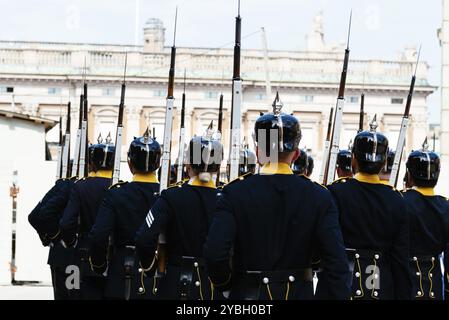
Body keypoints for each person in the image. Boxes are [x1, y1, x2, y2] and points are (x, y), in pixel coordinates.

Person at [204, 93, 350, 300]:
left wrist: (227, 287)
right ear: (297, 154)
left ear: (258, 150)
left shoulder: (234, 192)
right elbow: (335, 263)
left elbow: (215, 253)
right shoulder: (318, 196)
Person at [318, 117, 412, 300]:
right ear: (384, 162)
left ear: (354, 159)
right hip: (379, 282)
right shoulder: (396, 199)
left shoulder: (335, 192)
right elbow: (400, 259)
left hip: (341, 282)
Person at [135, 127, 224, 300]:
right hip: (213, 287)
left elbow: (144, 238)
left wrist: (150, 268)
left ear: (188, 164)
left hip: (175, 282)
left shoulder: (171, 195)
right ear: (217, 167)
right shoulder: (226, 198)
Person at [88, 130, 161, 300]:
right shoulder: (167, 195)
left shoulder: (117, 194)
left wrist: (99, 265)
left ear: (130, 163)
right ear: (158, 165)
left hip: (122, 271)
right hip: (156, 273)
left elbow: (99, 236)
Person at [59, 135, 115, 299]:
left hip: (80, 257)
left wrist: (71, 242)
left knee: (74, 292)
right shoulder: (119, 187)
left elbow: (66, 223)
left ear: (92, 162)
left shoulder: (81, 186)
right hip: (110, 257)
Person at [402, 139, 449, 300]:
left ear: (409, 174)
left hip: (405, 280)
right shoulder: (445, 206)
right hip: (434, 282)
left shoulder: (401, 201)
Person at [28, 163, 77, 300]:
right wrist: (57, 237)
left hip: (58, 254)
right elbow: (37, 216)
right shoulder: (75, 187)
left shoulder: (63, 186)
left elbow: (34, 216)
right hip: (73, 255)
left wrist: (51, 239)